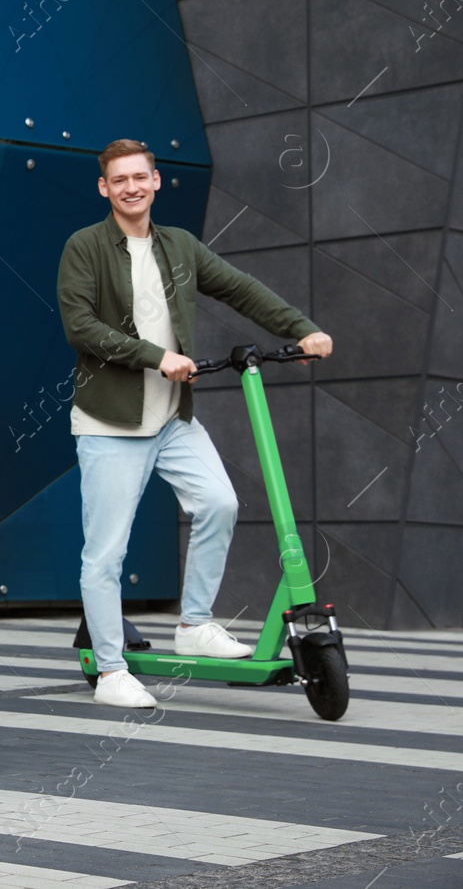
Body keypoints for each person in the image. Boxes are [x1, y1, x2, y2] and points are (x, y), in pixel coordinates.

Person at [57, 138, 333, 709]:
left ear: (156, 182)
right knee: (105, 554)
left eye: (141, 177)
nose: (132, 187)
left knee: (219, 503)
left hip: (172, 419)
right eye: (119, 180)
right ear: (104, 188)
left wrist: (301, 328)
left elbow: (239, 288)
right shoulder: (84, 247)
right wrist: (156, 356)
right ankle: (110, 671)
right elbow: (80, 326)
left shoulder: (179, 246)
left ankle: (195, 623)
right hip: (111, 423)